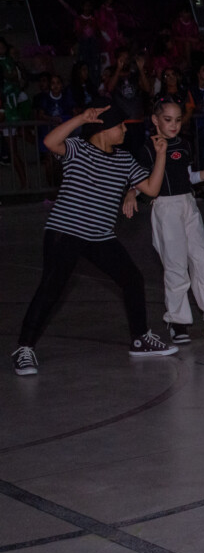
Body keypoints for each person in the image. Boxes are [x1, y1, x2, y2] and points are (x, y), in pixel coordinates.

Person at [11, 101, 176, 376]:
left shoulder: (124, 159)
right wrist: (80, 119)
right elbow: (50, 142)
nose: (125, 130)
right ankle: (24, 348)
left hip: (100, 235)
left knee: (132, 279)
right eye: (120, 126)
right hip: (66, 230)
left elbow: (151, 189)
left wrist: (161, 155)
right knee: (51, 287)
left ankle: (140, 338)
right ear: (103, 129)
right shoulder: (78, 149)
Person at [137, 96, 204, 345]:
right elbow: (141, 182)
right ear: (155, 120)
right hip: (165, 207)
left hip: (188, 205)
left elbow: (187, 176)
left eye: (178, 120)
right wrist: (131, 193)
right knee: (175, 265)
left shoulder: (183, 145)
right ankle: (177, 321)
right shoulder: (147, 148)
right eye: (168, 120)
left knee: (202, 260)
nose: (173, 125)